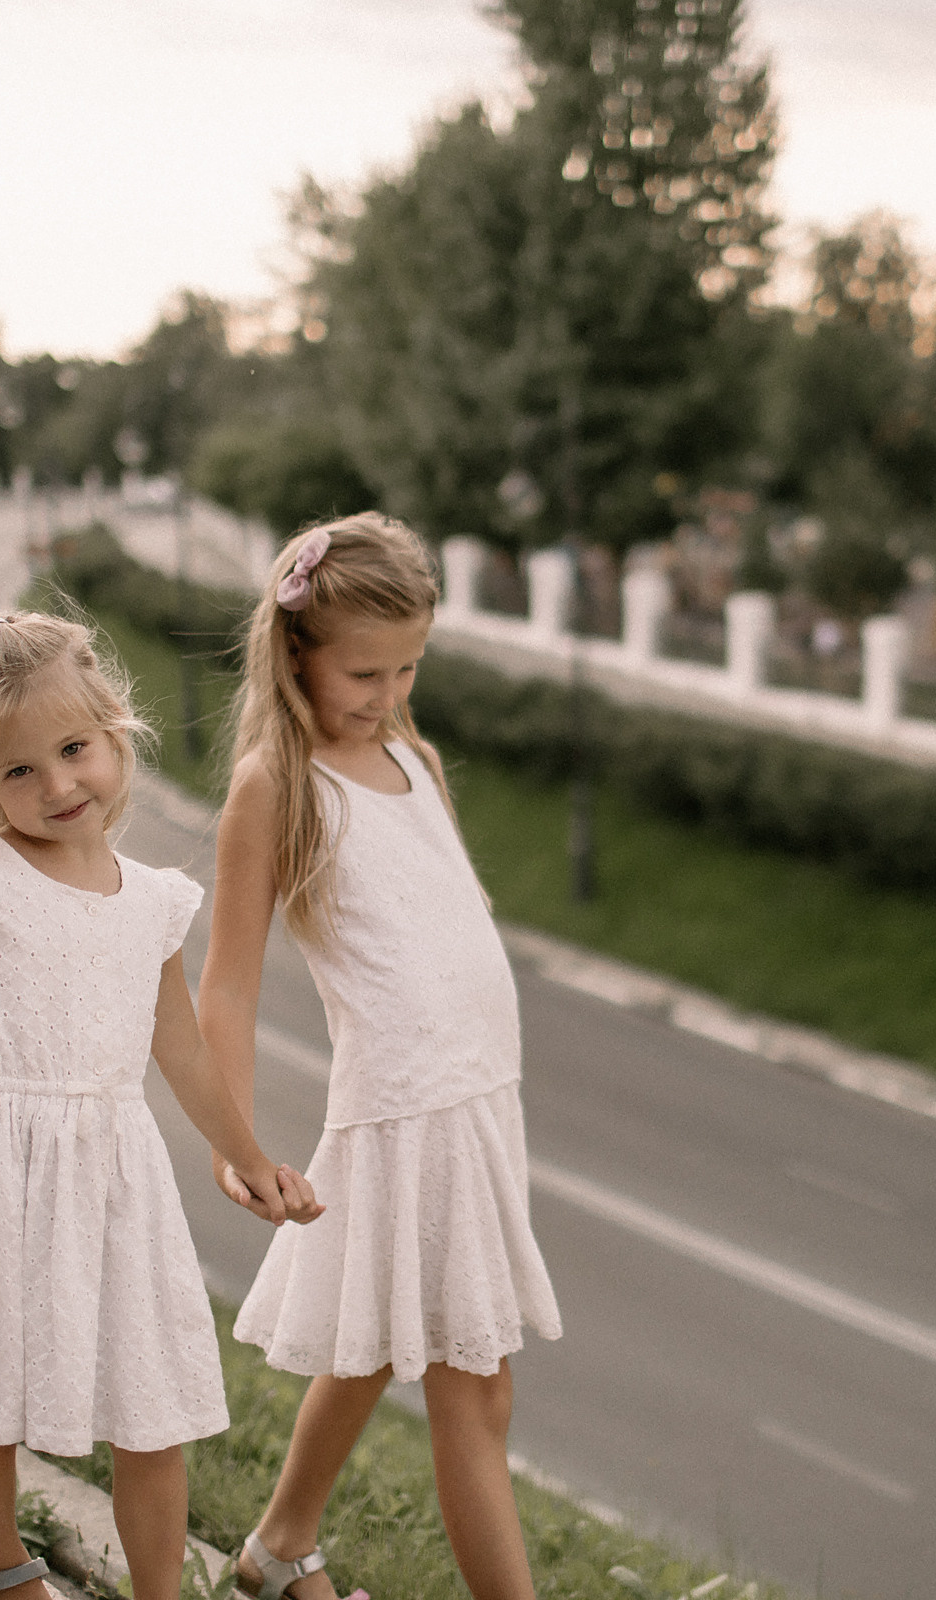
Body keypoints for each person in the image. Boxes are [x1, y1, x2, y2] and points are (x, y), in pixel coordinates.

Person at [0, 611, 320, 1600]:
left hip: (109, 1176)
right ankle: (1, 1568)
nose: (57, 786)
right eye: (19, 772)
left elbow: (178, 1042)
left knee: (152, 1406)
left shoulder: (153, 902)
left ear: (116, 732)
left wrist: (246, 1154)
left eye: (75, 750)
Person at [201, 514, 562, 1600]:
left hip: (476, 1097)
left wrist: (393, 711)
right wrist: (235, 1139)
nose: (390, 692)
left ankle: (277, 1549)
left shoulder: (412, 752)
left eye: (410, 666)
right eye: (366, 671)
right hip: (406, 1108)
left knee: (368, 1341)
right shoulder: (278, 783)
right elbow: (228, 976)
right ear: (294, 648)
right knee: (476, 1391)